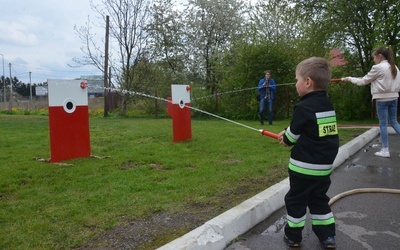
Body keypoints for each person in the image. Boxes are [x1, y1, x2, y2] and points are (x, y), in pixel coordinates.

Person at [277, 57, 339, 249]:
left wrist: (285, 138)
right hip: (323, 168)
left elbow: (292, 136)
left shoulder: (303, 107)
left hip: (303, 168)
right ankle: (327, 237)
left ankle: (294, 237)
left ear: (308, 82)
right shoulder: (328, 106)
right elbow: (320, 132)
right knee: (319, 200)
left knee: (295, 200)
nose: (295, 84)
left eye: (296, 80)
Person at [342, 46, 400, 158]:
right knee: (394, 121)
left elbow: (363, 81)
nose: (373, 60)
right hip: (394, 98)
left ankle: (385, 150)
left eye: (374, 57)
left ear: (379, 56)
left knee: (383, 124)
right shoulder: (395, 67)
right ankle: (385, 149)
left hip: (381, 99)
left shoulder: (377, 67)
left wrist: (348, 78)